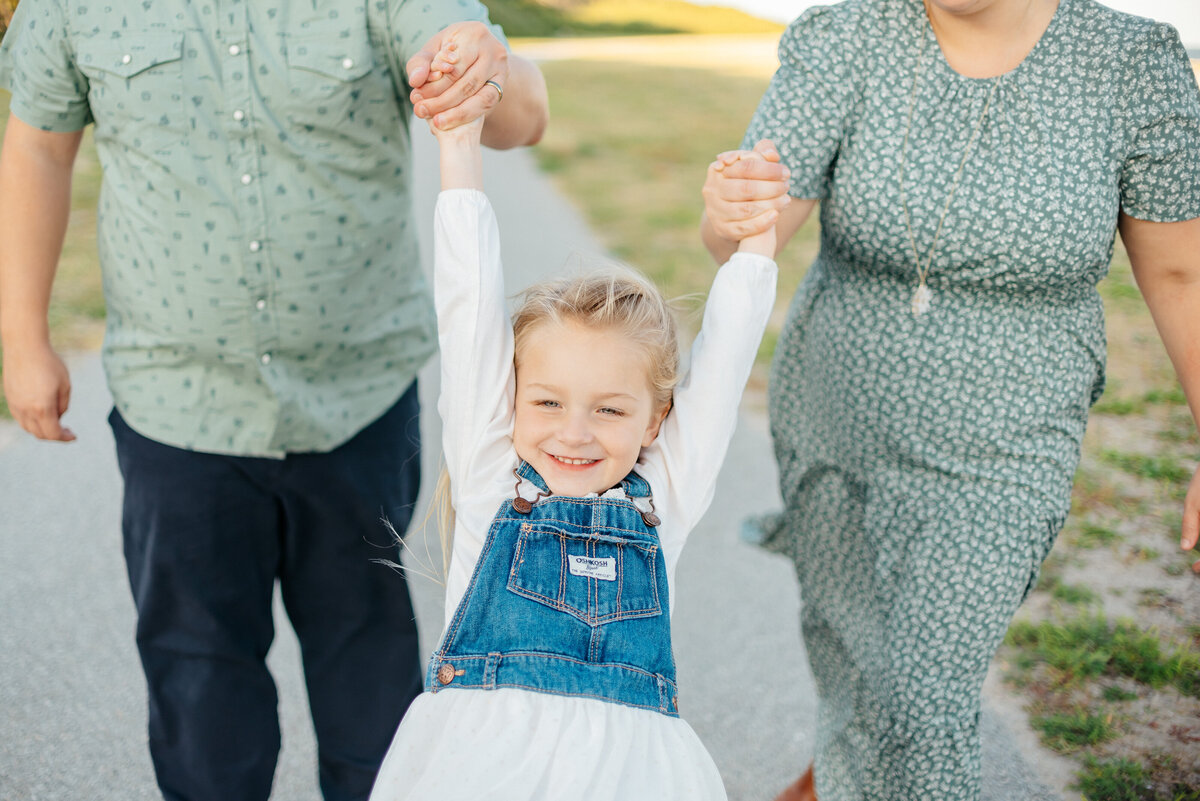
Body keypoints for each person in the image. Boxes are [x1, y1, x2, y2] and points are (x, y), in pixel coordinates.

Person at [0, 3, 547, 799]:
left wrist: (488, 67)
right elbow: (39, 150)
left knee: (371, 672)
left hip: (359, 397)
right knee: (199, 678)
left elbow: (523, 114)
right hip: (174, 405)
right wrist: (22, 340)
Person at [700, 0, 1200, 799]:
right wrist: (728, 215)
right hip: (837, 413)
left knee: (924, 701)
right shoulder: (846, 37)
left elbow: (1182, 273)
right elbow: (751, 231)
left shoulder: (1132, 63)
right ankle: (836, 778)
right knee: (854, 651)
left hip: (1010, 438)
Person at [365, 52, 778, 799]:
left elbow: (718, 378)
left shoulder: (665, 499)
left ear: (657, 420)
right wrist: (459, 144)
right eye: (548, 402)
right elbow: (468, 308)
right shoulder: (493, 474)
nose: (575, 433)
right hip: (480, 772)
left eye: (611, 409)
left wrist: (756, 245)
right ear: (512, 401)